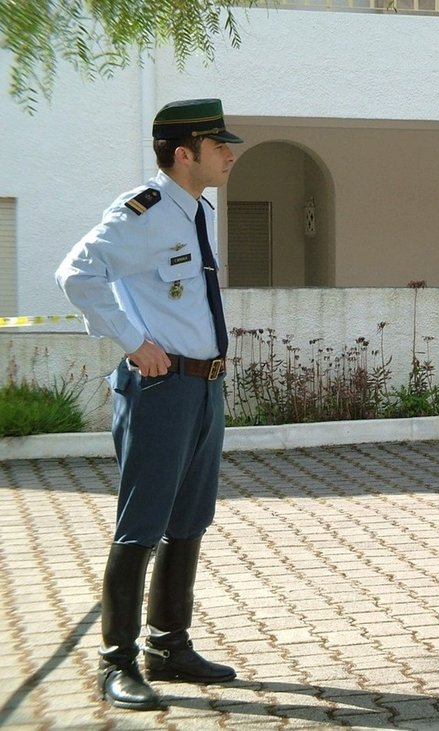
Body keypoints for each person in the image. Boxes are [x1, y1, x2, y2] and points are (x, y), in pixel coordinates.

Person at [55, 99, 243, 711]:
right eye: (219, 145)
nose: (229, 154)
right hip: (162, 391)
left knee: (190, 520)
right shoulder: (145, 211)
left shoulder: (194, 212)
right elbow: (77, 272)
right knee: (141, 526)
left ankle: (170, 646)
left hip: (203, 386)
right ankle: (117, 662)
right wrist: (135, 343)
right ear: (184, 153)